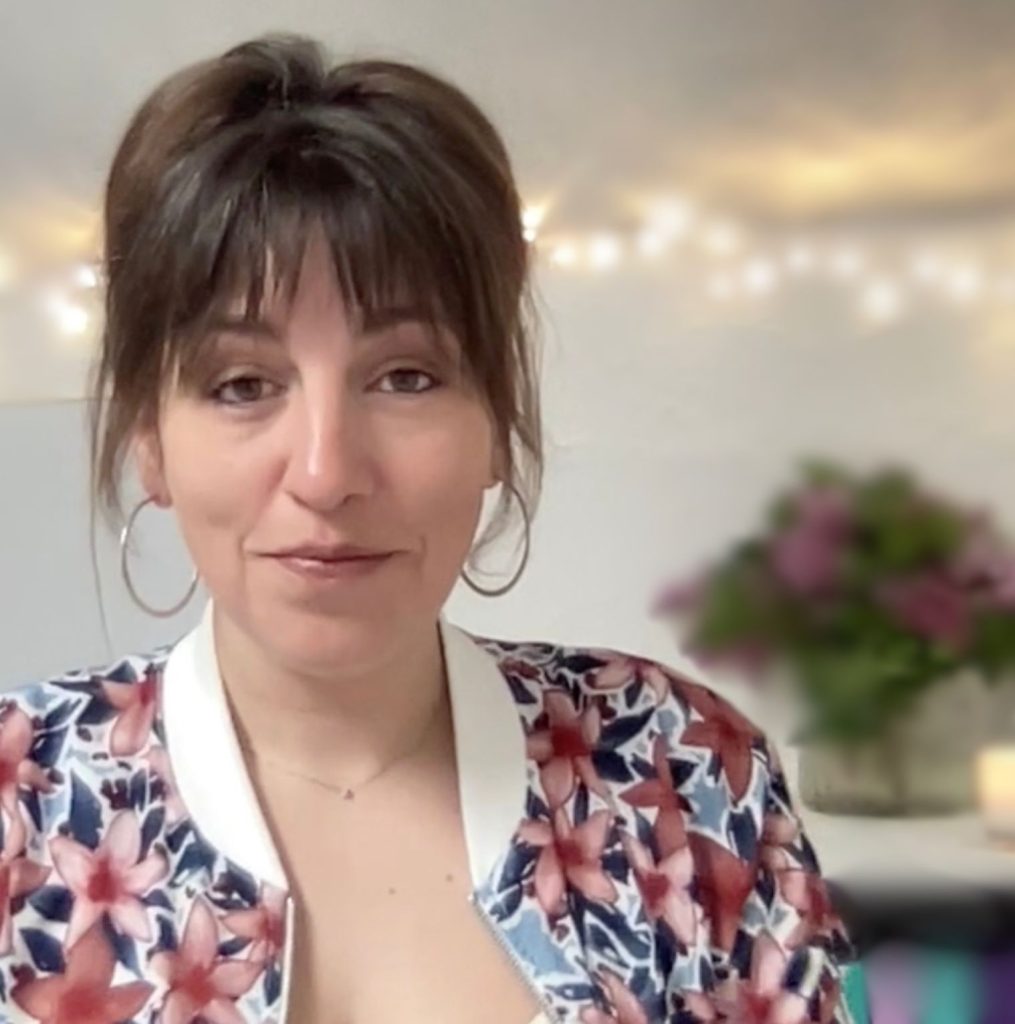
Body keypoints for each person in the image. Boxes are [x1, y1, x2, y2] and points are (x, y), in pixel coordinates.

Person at [0, 33, 853, 1024]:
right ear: (151, 441)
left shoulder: (681, 771)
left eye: (405, 377)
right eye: (242, 384)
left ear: (494, 420)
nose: (326, 474)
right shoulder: (24, 803)